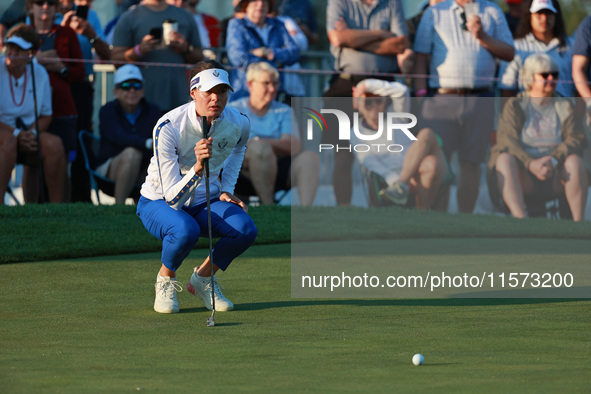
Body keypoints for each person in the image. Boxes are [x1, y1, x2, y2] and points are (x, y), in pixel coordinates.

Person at [136, 59, 257, 314]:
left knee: (245, 229)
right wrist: (198, 169)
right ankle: (165, 280)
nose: (216, 98)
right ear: (193, 93)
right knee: (185, 229)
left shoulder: (240, 122)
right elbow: (172, 200)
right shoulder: (168, 126)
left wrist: (226, 188)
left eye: (222, 91)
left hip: (206, 200)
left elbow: (238, 150)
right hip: (158, 201)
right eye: (209, 91)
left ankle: (202, 279)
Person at [413, 0, 515, 214]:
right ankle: (434, 222)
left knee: (471, 163)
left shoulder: (492, 11)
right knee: (438, 163)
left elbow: (509, 52)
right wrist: (422, 97)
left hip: (480, 97)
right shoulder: (434, 12)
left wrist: (482, 37)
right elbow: (420, 57)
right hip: (440, 98)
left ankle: (463, 222)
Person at [324, 0, 408, 206]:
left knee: (383, 152)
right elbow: (336, 37)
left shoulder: (392, 3)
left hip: (384, 85)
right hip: (346, 86)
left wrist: (352, 37)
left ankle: (380, 209)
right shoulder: (338, 3)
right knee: (342, 156)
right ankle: (343, 210)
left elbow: (400, 44)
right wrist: (381, 34)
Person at [488, 53, 589, 221]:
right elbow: (507, 140)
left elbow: (576, 138)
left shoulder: (565, 105)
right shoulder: (515, 105)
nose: (551, 78)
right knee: (504, 159)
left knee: (575, 161)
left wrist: (554, 160)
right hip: (524, 173)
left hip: (556, 173)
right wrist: (530, 163)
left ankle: (578, 224)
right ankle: (522, 220)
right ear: (530, 78)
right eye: (544, 75)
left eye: (554, 75)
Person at [229, 62, 319, 205]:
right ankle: (270, 207)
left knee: (310, 158)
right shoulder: (234, 110)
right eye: (266, 83)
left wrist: (258, 141)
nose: (272, 89)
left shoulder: (284, 110)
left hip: (280, 170)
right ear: (250, 84)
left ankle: (305, 213)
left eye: (275, 84)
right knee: (260, 150)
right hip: (242, 174)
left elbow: (294, 145)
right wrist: (264, 146)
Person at [352, 79, 448, 210]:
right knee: (431, 162)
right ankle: (421, 209)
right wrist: (395, 180)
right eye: (368, 102)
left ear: (385, 101)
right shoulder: (355, 132)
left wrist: (366, 87)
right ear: (358, 103)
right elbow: (368, 161)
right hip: (390, 178)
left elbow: (401, 91)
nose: (374, 105)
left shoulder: (396, 116)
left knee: (426, 134)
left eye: (378, 100)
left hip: (415, 170)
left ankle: (417, 207)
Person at [0, 24, 66, 204]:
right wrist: (17, 134)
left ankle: (55, 212)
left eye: (18, 48)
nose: (12, 52)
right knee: (8, 141)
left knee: (54, 144)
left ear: (31, 54)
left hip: (28, 134)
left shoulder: (40, 73)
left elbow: (46, 115)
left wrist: (32, 134)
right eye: (10, 46)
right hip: (6, 136)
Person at [28, 0, 85, 201]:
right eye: (39, 2)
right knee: (31, 162)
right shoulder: (22, 34)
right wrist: (36, 62)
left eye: (51, 3)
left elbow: (80, 72)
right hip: (29, 110)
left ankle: (61, 211)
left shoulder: (66, 34)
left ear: (56, 8)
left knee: (64, 165)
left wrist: (60, 67)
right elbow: (9, 64)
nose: (45, 7)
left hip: (63, 110)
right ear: (30, 7)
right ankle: (28, 212)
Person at [111, 0, 203, 113]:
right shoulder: (128, 17)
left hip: (177, 101)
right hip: (142, 105)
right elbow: (116, 60)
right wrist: (139, 50)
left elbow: (200, 59)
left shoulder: (185, 16)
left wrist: (185, 48)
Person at [96, 65, 161, 204]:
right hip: (109, 171)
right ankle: (119, 207)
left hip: (145, 168)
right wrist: (146, 143)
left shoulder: (153, 111)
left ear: (142, 90)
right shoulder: (107, 110)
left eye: (136, 86)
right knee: (132, 154)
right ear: (116, 91)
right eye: (125, 86)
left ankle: (149, 209)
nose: (132, 90)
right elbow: (119, 137)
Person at [225, 0, 300, 102]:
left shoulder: (278, 25)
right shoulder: (236, 24)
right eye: (255, 1)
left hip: (273, 93)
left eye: (265, 1)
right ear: (245, 5)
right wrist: (272, 61)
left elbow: (295, 53)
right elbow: (237, 57)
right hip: (243, 93)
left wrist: (271, 53)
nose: (260, 4)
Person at [499, 0, 573, 98]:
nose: (544, 18)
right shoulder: (516, 47)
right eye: (539, 13)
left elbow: (579, 87)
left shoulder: (572, 45)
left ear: (556, 16)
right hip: (526, 112)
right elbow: (507, 88)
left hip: (564, 111)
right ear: (529, 16)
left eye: (549, 13)